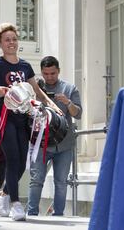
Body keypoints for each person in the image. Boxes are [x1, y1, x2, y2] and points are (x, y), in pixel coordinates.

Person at [0, 23, 62, 221]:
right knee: (12, 159)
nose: (11, 43)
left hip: (24, 118)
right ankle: (15, 204)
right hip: (4, 118)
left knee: (22, 162)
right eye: (7, 40)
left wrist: (51, 106)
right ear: (0, 44)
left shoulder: (25, 66)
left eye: (14, 39)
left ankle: (3, 195)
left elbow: (37, 92)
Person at [27, 56, 82, 216]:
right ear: (42, 73)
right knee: (36, 180)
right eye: (46, 74)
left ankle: (58, 216)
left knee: (61, 182)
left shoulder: (70, 88)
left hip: (64, 145)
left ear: (58, 71)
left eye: (53, 73)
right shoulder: (35, 88)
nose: (49, 77)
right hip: (41, 143)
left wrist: (68, 103)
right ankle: (31, 215)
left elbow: (78, 114)